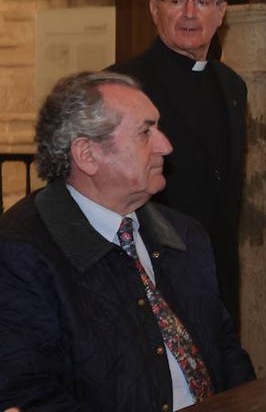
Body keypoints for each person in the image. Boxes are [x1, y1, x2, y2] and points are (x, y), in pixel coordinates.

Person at [0, 72, 253, 410]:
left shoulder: (185, 235)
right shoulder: (22, 252)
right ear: (87, 155)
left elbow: (225, 351)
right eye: (145, 132)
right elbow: (28, 393)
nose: (166, 145)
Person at [111, 0, 247, 323]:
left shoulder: (233, 85)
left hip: (219, 267)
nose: (189, 13)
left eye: (203, 1)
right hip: (154, 268)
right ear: (154, 10)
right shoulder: (120, 86)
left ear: (221, 13)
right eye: (176, 0)